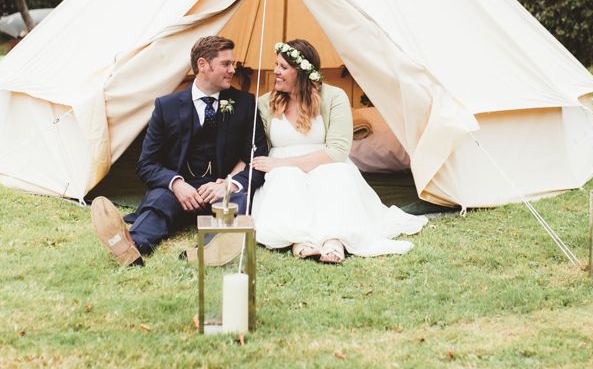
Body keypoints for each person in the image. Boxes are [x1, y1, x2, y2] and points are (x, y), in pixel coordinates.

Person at [91, 35, 268, 267]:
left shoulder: (244, 104)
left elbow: (256, 159)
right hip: (178, 192)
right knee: (158, 202)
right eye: (226, 64)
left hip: (219, 191)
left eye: (232, 64)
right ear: (203, 65)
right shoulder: (167, 107)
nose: (232, 70)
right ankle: (130, 246)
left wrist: (226, 184)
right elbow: (146, 164)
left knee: (238, 199)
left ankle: (209, 251)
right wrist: (176, 184)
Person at [251, 39, 427, 264]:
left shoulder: (334, 97)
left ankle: (335, 239)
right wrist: (278, 166)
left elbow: (337, 151)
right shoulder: (265, 102)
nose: (275, 71)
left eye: (283, 67)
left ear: (302, 72)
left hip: (325, 161)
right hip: (280, 167)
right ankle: (298, 239)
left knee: (337, 175)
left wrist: (282, 163)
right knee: (287, 178)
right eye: (276, 65)